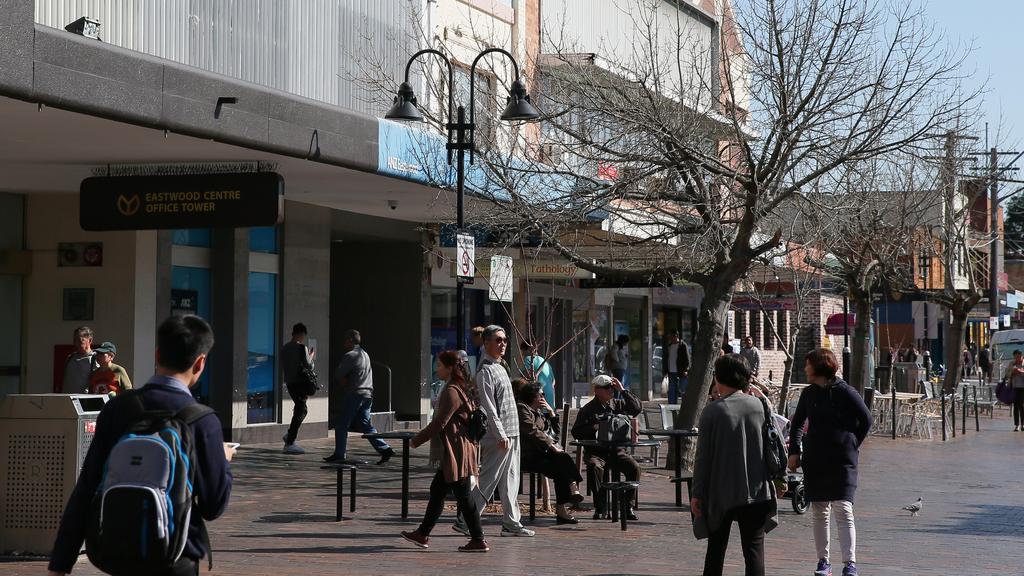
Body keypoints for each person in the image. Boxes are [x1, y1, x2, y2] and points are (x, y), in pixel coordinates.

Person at [48, 314, 233, 576]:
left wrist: (60, 563)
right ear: (200, 363)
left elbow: (87, 487)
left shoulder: (118, 409)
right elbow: (213, 505)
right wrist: (223, 462)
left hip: (117, 551)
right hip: (175, 556)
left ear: (157, 354)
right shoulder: (203, 420)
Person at [691, 354, 778, 576]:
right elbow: (775, 444)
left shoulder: (713, 411)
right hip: (757, 490)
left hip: (721, 492)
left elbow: (702, 459)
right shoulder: (760, 406)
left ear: (718, 378)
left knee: (716, 550)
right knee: (754, 551)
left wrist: (696, 494)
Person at [788, 348, 872, 576]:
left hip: (842, 461)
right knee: (819, 510)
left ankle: (850, 564)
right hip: (816, 459)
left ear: (819, 367)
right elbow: (797, 424)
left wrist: (853, 443)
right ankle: (823, 561)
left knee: (843, 509)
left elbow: (866, 419)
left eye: (808, 365)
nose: (805, 369)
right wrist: (794, 451)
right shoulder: (809, 394)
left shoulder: (846, 392)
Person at [401, 350, 489, 552]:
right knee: (440, 491)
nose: (436, 369)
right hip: (458, 450)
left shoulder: (451, 391)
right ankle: (423, 534)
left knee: (463, 496)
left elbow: (440, 423)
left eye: (439, 366)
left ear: (450, 368)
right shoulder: (459, 387)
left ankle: (478, 539)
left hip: (456, 451)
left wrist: (416, 440)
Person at [456, 325, 535, 537]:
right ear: (486, 342)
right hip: (499, 435)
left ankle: (511, 523)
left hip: (512, 432)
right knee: (489, 480)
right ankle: (465, 519)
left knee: (511, 480)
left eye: (504, 340)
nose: (502, 344)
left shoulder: (501, 367)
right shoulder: (485, 372)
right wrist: (500, 434)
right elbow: (488, 407)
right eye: (498, 340)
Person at [571, 374, 642, 520]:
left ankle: (627, 506)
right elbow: (576, 432)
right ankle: (601, 507)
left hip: (617, 450)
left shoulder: (617, 404)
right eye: (607, 388)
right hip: (596, 452)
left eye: (612, 387)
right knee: (594, 467)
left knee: (634, 467)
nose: (611, 390)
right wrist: (594, 427)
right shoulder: (588, 409)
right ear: (597, 390)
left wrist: (623, 390)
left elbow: (636, 409)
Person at [324, 329, 395, 465]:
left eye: (346, 339)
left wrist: (345, 386)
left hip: (355, 394)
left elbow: (338, 375)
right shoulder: (365, 354)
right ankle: (385, 449)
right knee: (366, 425)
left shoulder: (350, 355)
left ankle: (339, 454)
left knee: (342, 425)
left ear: (350, 340)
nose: (344, 342)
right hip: (368, 395)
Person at [517, 381, 584, 524]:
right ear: (533, 396)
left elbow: (555, 435)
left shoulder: (539, 413)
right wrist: (552, 446)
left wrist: (552, 413)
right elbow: (532, 431)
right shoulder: (522, 408)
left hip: (543, 454)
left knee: (561, 467)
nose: (543, 397)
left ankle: (562, 508)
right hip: (528, 456)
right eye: (541, 394)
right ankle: (572, 489)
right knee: (562, 461)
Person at [280, 322, 316, 454]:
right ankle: (290, 442)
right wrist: (311, 356)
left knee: (300, 408)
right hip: (300, 383)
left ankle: (289, 435)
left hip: (290, 383)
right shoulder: (302, 348)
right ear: (301, 334)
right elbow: (309, 366)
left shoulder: (284, 348)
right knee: (301, 410)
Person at [521, 340, 556, 408]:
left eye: (523, 351)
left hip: (538, 400)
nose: (523, 354)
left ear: (529, 349)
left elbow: (527, 377)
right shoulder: (545, 362)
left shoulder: (528, 359)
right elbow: (553, 381)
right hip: (550, 402)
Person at [63, 326, 98, 393]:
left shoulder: (95, 359)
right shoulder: (70, 358)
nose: (76, 344)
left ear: (90, 340)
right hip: (67, 399)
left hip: (84, 400)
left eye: (80, 341)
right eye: (74, 340)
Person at [662, 330, 690, 404]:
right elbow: (666, 359)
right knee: (671, 390)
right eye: (669, 337)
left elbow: (687, 358)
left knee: (683, 390)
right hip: (671, 371)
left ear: (676, 336)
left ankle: (685, 405)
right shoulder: (669, 346)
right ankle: (672, 406)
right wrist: (665, 371)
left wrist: (686, 369)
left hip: (681, 371)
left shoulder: (682, 345)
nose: (670, 339)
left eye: (671, 337)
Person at [1004, 350, 1024, 431]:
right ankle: (1017, 425)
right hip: (1014, 386)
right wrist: (1012, 373)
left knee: (1022, 406)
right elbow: (1006, 374)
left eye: (1019, 357)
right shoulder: (1012, 363)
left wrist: (1021, 372)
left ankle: (1023, 424)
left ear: (1022, 356)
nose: (1017, 359)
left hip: (1023, 387)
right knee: (1015, 406)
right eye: (1016, 357)